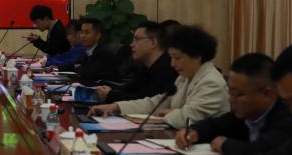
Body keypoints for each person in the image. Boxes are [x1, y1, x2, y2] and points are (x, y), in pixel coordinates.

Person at [92, 25, 228, 128]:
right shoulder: (185, 77)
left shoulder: (211, 82)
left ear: (197, 56)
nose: (172, 64)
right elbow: (156, 102)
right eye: (171, 57)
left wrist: (170, 113)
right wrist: (115, 106)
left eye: (177, 58)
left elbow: (187, 118)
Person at [175, 53, 292, 155]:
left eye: (238, 94)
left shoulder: (289, 117)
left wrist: (226, 145)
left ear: (266, 93)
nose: (231, 100)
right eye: (231, 92)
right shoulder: (244, 115)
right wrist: (194, 131)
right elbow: (216, 125)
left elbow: (264, 151)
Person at [93, 21, 176, 102]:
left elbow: (146, 100)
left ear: (153, 42)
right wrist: (107, 90)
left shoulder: (169, 68)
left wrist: (111, 95)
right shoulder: (145, 67)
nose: (131, 45)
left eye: (137, 39)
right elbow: (130, 90)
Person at [73, 17, 121, 86]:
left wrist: (78, 68)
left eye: (87, 32)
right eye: (82, 32)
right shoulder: (85, 51)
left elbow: (89, 73)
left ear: (98, 35)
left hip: (106, 88)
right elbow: (76, 64)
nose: (82, 36)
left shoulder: (103, 52)